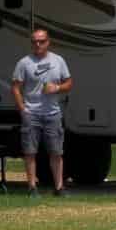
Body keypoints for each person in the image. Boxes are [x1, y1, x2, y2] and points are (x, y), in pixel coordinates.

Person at [9, 27, 74, 196]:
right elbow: (16, 87)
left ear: (48, 42)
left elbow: (69, 83)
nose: (38, 44)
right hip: (32, 113)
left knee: (56, 152)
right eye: (35, 41)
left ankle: (59, 187)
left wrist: (57, 87)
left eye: (42, 41)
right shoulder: (24, 62)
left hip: (53, 113)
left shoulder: (58, 60)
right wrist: (23, 109)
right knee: (30, 152)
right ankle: (32, 187)